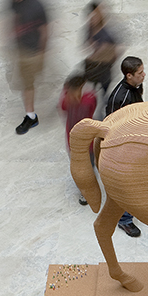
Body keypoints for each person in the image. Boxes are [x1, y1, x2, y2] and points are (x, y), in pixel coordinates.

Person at [105, 56, 147, 237]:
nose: (144, 75)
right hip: (123, 147)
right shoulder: (119, 99)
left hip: (135, 141)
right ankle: (124, 220)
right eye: (140, 73)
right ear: (129, 75)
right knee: (125, 184)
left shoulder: (136, 87)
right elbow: (114, 127)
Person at [7, 0, 49, 135]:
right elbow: (13, 18)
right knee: (26, 82)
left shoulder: (37, 5)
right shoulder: (12, 0)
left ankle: (31, 116)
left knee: (28, 84)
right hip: (21, 50)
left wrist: (41, 53)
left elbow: (45, 31)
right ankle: (30, 114)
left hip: (33, 51)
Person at [60, 73, 98, 205]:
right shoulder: (88, 99)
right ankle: (86, 190)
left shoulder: (68, 100)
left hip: (81, 141)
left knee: (85, 167)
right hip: (79, 141)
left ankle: (86, 191)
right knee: (83, 168)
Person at [83, 0, 119, 106]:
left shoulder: (108, 34)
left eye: (96, 15)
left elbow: (114, 53)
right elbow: (87, 42)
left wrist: (101, 53)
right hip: (94, 67)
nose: (93, 19)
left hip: (105, 69)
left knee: (104, 91)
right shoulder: (90, 27)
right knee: (92, 89)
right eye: (92, 16)